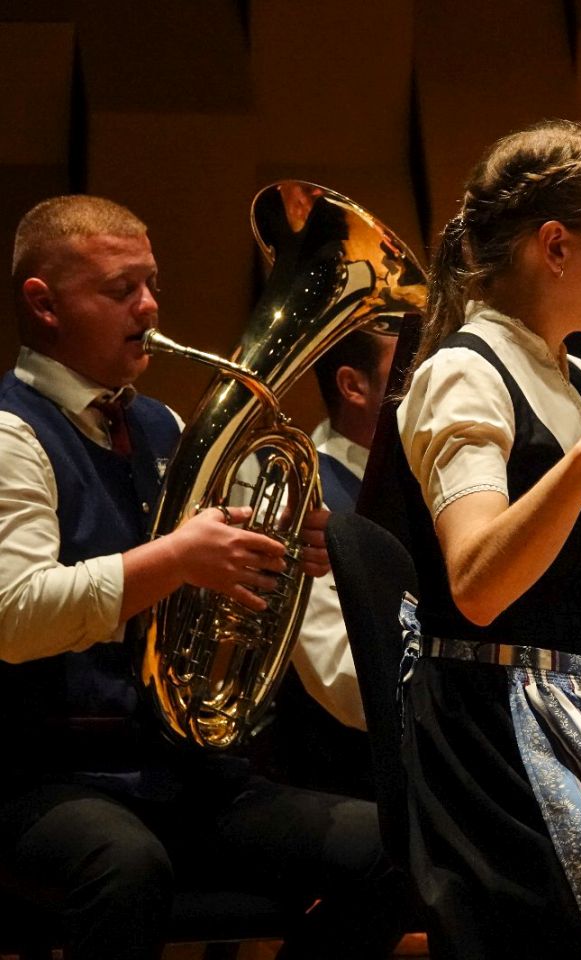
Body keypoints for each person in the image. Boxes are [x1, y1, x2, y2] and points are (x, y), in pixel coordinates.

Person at [0, 195, 406, 959]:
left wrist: (278, 555)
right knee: (124, 868)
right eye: (121, 289)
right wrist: (179, 558)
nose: (149, 306)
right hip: (44, 773)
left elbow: (209, 585)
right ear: (44, 305)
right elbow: (15, 618)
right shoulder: (10, 435)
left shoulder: (161, 426)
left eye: (152, 284)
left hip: (179, 768)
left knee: (394, 848)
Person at [267, 329, 396, 799]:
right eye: (410, 368)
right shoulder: (301, 496)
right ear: (352, 386)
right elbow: (341, 681)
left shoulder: (431, 478)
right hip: (349, 777)